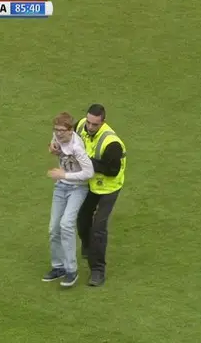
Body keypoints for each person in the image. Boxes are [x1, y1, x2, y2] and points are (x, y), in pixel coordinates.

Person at [50, 104, 126, 287]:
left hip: (109, 187)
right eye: (89, 123)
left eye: (94, 125)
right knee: (82, 219)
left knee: (99, 228)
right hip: (89, 184)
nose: (89, 127)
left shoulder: (112, 143)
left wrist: (87, 162)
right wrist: (54, 143)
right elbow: (66, 133)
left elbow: (113, 170)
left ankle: (98, 270)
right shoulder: (82, 124)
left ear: (103, 123)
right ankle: (87, 246)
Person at [43, 112, 94, 287]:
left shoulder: (77, 148)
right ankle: (58, 267)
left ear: (70, 130)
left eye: (62, 131)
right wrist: (52, 146)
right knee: (53, 228)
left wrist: (64, 174)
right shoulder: (57, 136)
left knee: (66, 224)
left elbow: (89, 173)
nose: (58, 134)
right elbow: (54, 144)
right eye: (55, 130)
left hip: (77, 188)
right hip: (61, 187)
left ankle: (71, 271)